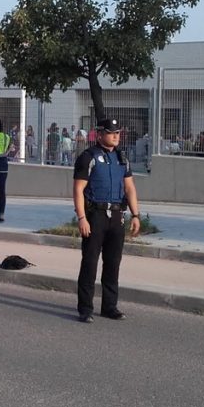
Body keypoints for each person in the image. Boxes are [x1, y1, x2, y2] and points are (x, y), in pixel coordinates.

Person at [73, 119, 141, 323]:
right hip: (95, 216)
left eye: (118, 133)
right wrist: (82, 217)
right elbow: (78, 190)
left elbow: (129, 188)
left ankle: (110, 306)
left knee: (113, 263)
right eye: (111, 133)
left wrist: (136, 215)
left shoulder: (122, 159)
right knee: (90, 263)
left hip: (117, 216)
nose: (116, 136)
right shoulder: (88, 157)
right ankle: (85, 309)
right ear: (100, 134)